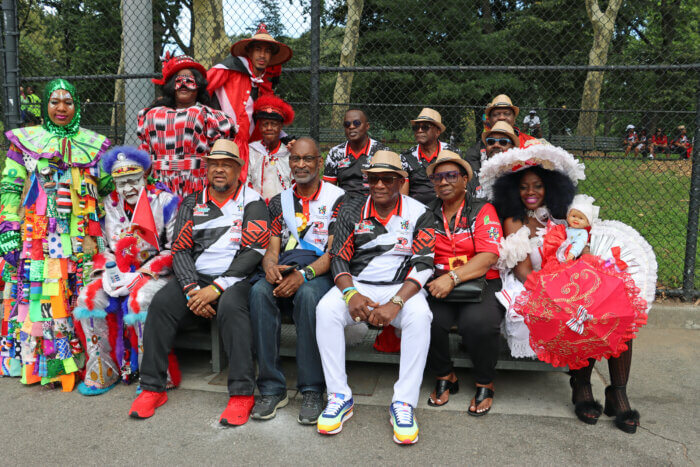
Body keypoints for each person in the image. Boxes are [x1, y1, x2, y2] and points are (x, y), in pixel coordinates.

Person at [128, 139, 270, 426]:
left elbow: (254, 251)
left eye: (226, 165)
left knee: (231, 305)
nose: (219, 170)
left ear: (238, 169)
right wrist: (193, 289)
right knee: (162, 304)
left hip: (237, 277)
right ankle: (153, 387)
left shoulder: (253, 201)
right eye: (214, 164)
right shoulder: (193, 201)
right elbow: (180, 249)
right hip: (198, 277)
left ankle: (242, 393)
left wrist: (216, 289)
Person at [315, 151, 435, 445]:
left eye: (387, 179)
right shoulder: (351, 209)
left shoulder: (420, 212)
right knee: (326, 309)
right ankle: (339, 396)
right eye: (373, 178)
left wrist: (396, 303)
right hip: (359, 284)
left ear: (401, 181)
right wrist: (350, 292)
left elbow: (424, 264)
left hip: (400, 287)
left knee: (421, 316)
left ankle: (404, 403)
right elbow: (339, 257)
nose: (380, 185)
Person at [0, 79, 112, 388]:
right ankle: (48, 366)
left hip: (83, 235)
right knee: (44, 295)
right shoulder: (25, 141)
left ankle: (94, 363)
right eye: (55, 101)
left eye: (68, 102)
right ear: (45, 106)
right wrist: (8, 225)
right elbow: (10, 186)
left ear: (77, 106)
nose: (61, 108)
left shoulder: (94, 143)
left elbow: (106, 188)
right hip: (40, 237)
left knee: (81, 290)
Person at [249, 137, 345, 424]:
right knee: (258, 292)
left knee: (308, 296)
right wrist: (269, 267)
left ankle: (312, 389)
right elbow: (272, 248)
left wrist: (304, 276)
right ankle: (271, 388)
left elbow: (334, 252)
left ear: (319, 162)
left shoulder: (337, 198)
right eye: (295, 159)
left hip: (320, 272)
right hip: (287, 265)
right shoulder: (280, 200)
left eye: (307, 159)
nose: (300, 165)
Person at [74, 146, 180, 395]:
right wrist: (108, 273)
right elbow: (103, 246)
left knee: (140, 299)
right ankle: (102, 370)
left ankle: (153, 375)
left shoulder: (166, 201)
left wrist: (142, 274)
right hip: (118, 273)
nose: (127, 189)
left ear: (145, 175)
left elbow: (174, 249)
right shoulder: (108, 204)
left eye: (133, 180)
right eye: (121, 183)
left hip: (157, 274)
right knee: (87, 299)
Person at [422, 150, 504, 416]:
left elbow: (489, 255)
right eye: (437, 177)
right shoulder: (427, 212)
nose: (443, 182)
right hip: (438, 279)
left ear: (465, 179)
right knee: (425, 318)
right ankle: (445, 375)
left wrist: (453, 277)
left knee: (478, 323)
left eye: (451, 175)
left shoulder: (483, 210)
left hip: (479, 280)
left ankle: (484, 381)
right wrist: (441, 279)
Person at [138, 53, 235, 198]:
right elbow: (144, 155)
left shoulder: (207, 115)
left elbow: (219, 158)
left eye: (190, 80)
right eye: (178, 80)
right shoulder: (151, 115)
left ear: (198, 85)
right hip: (160, 188)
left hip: (197, 186)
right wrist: (141, 182)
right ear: (171, 85)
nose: (184, 84)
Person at [207, 23, 292, 181]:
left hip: (248, 147)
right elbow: (202, 87)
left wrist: (285, 137)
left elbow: (269, 117)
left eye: (267, 51)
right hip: (219, 143)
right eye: (258, 49)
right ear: (249, 52)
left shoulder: (265, 84)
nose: (262, 55)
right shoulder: (229, 68)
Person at [323, 108, 408, 198]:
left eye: (357, 123)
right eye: (347, 124)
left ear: (367, 126)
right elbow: (329, 190)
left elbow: (400, 182)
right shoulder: (335, 153)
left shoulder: (382, 151)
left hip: (374, 203)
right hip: (344, 204)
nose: (351, 127)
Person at [401, 108, 462, 205]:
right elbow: (403, 197)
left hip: (448, 206)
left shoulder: (452, 153)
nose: (419, 130)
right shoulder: (406, 157)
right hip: (416, 211)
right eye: (416, 127)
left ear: (437, 132)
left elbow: (461, 185)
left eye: (425, 127)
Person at [463, 94, 535, 173]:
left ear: (514, 119)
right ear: (489, 119)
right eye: (496, 114)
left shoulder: (532, 144)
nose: (501, 117)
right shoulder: (475, 152)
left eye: (507, 114)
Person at [247, 95, 295, 202]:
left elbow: (295, 182)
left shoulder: (289, 152)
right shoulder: (251, 151)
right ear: (259, 127)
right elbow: (246, 181)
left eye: (273, 124)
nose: (269, 128)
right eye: (265, 124)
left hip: (285, 205)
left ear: (281, 126)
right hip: (257, 205)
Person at [467, 121, 518, 198]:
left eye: (503, 142)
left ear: (512, 148)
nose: (496, 145)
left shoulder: (521, 173)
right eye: (491, 141)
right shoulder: (474, 172)